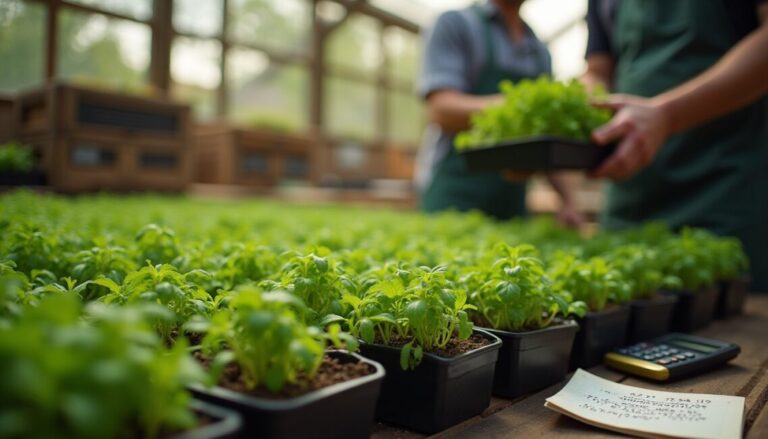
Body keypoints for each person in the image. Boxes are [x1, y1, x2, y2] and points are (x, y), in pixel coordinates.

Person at [583, 0, 768, 290]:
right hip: (630, 200)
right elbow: (597, 70)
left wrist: (666, 116)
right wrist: (584, 114)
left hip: (724, 192)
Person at [416, 0, 582, 224]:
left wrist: (569, 201)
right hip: (454, 192)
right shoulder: (457, 24)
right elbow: (441, 109)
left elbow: (547, 138)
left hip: (511, 200)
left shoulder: (538, 50)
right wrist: (520, 107)